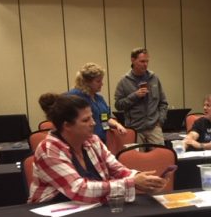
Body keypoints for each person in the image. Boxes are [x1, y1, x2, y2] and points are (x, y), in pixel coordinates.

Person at [28, 93, 168, 204]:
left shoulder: (93, 141)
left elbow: (118, 170)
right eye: (85, 120)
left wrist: (144, 179)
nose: (93, 123)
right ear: (67, 125)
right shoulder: (49, 149)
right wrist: (132, 183)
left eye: (92, 118)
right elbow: (79, 190)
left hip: (89, 209)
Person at [114, 48, 168, 145]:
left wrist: (160, 120)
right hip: (135, 129)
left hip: (154, 127)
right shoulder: (124, 81)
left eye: (147, 61)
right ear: (133, 60)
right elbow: (118, 105)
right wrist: (135, 96)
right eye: (142, 61)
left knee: (160, 156)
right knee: (137, 158)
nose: (145, 64)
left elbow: (163, 102)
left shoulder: (154, 78)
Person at [68, 62, 127, 143]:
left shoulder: (99, 98)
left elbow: (105, 119)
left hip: (101, 141)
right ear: (87, 82)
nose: (102, 84)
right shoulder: (74, 97)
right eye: (98, 81)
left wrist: (117, 125)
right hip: (83, 142)